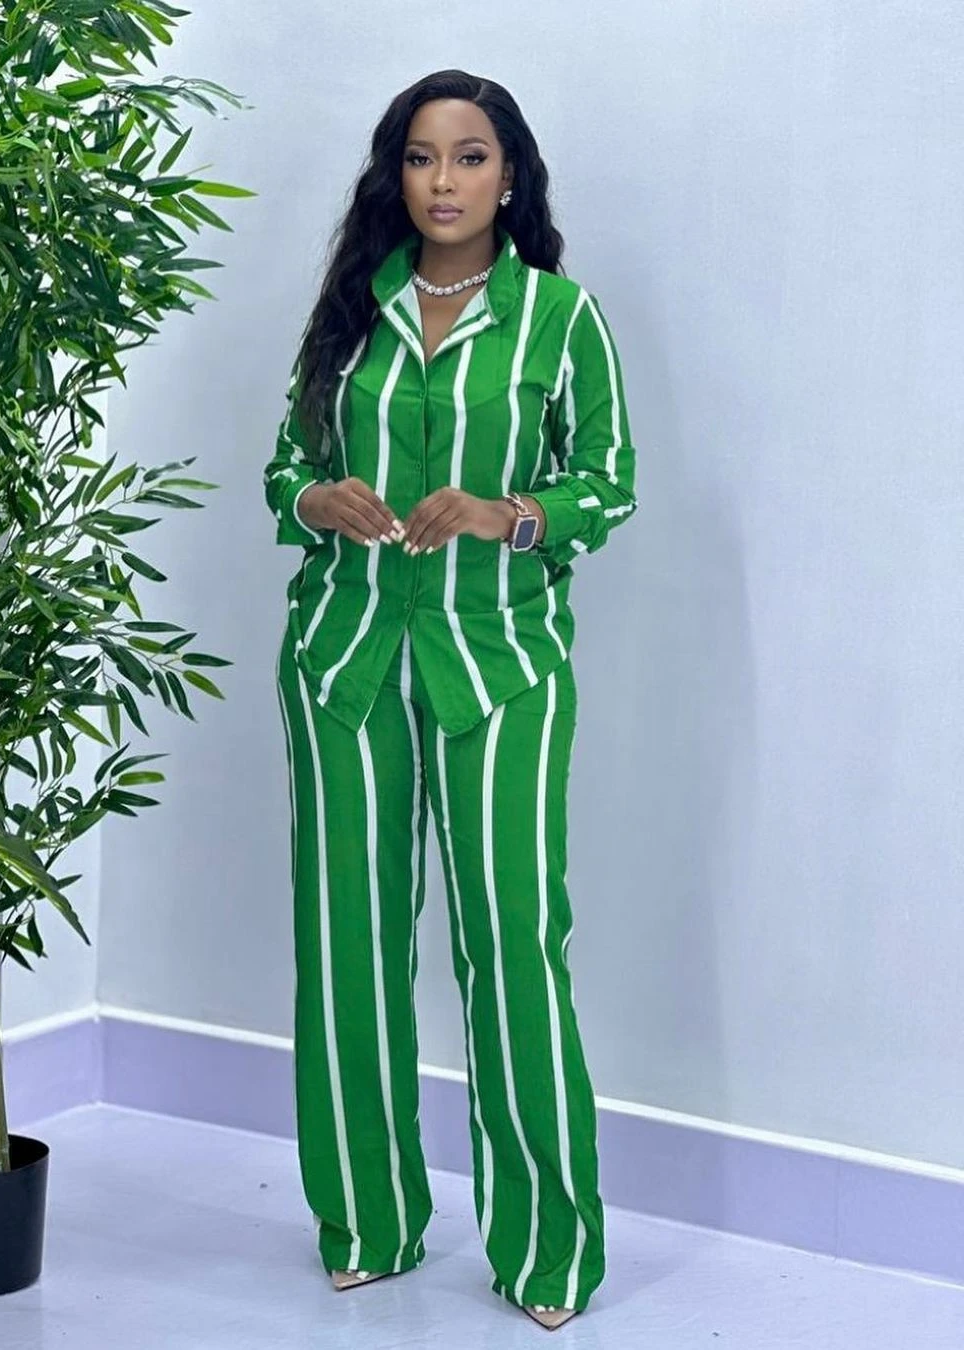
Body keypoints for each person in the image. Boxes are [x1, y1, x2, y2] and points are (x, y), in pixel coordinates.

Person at [262, 68, 638, 1332]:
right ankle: (367, 1219)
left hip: (502, 665)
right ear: (396, 174)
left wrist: (505, 513)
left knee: (514, 943)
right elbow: (285, 467)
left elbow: (610, 483)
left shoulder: (558, 319)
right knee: (348, 943)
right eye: (421, 158)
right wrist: (316, 501)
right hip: (346, 658)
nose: (443, 181)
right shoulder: (350, 310)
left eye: (469, 157)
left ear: (509, 176)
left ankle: (547, 1250)